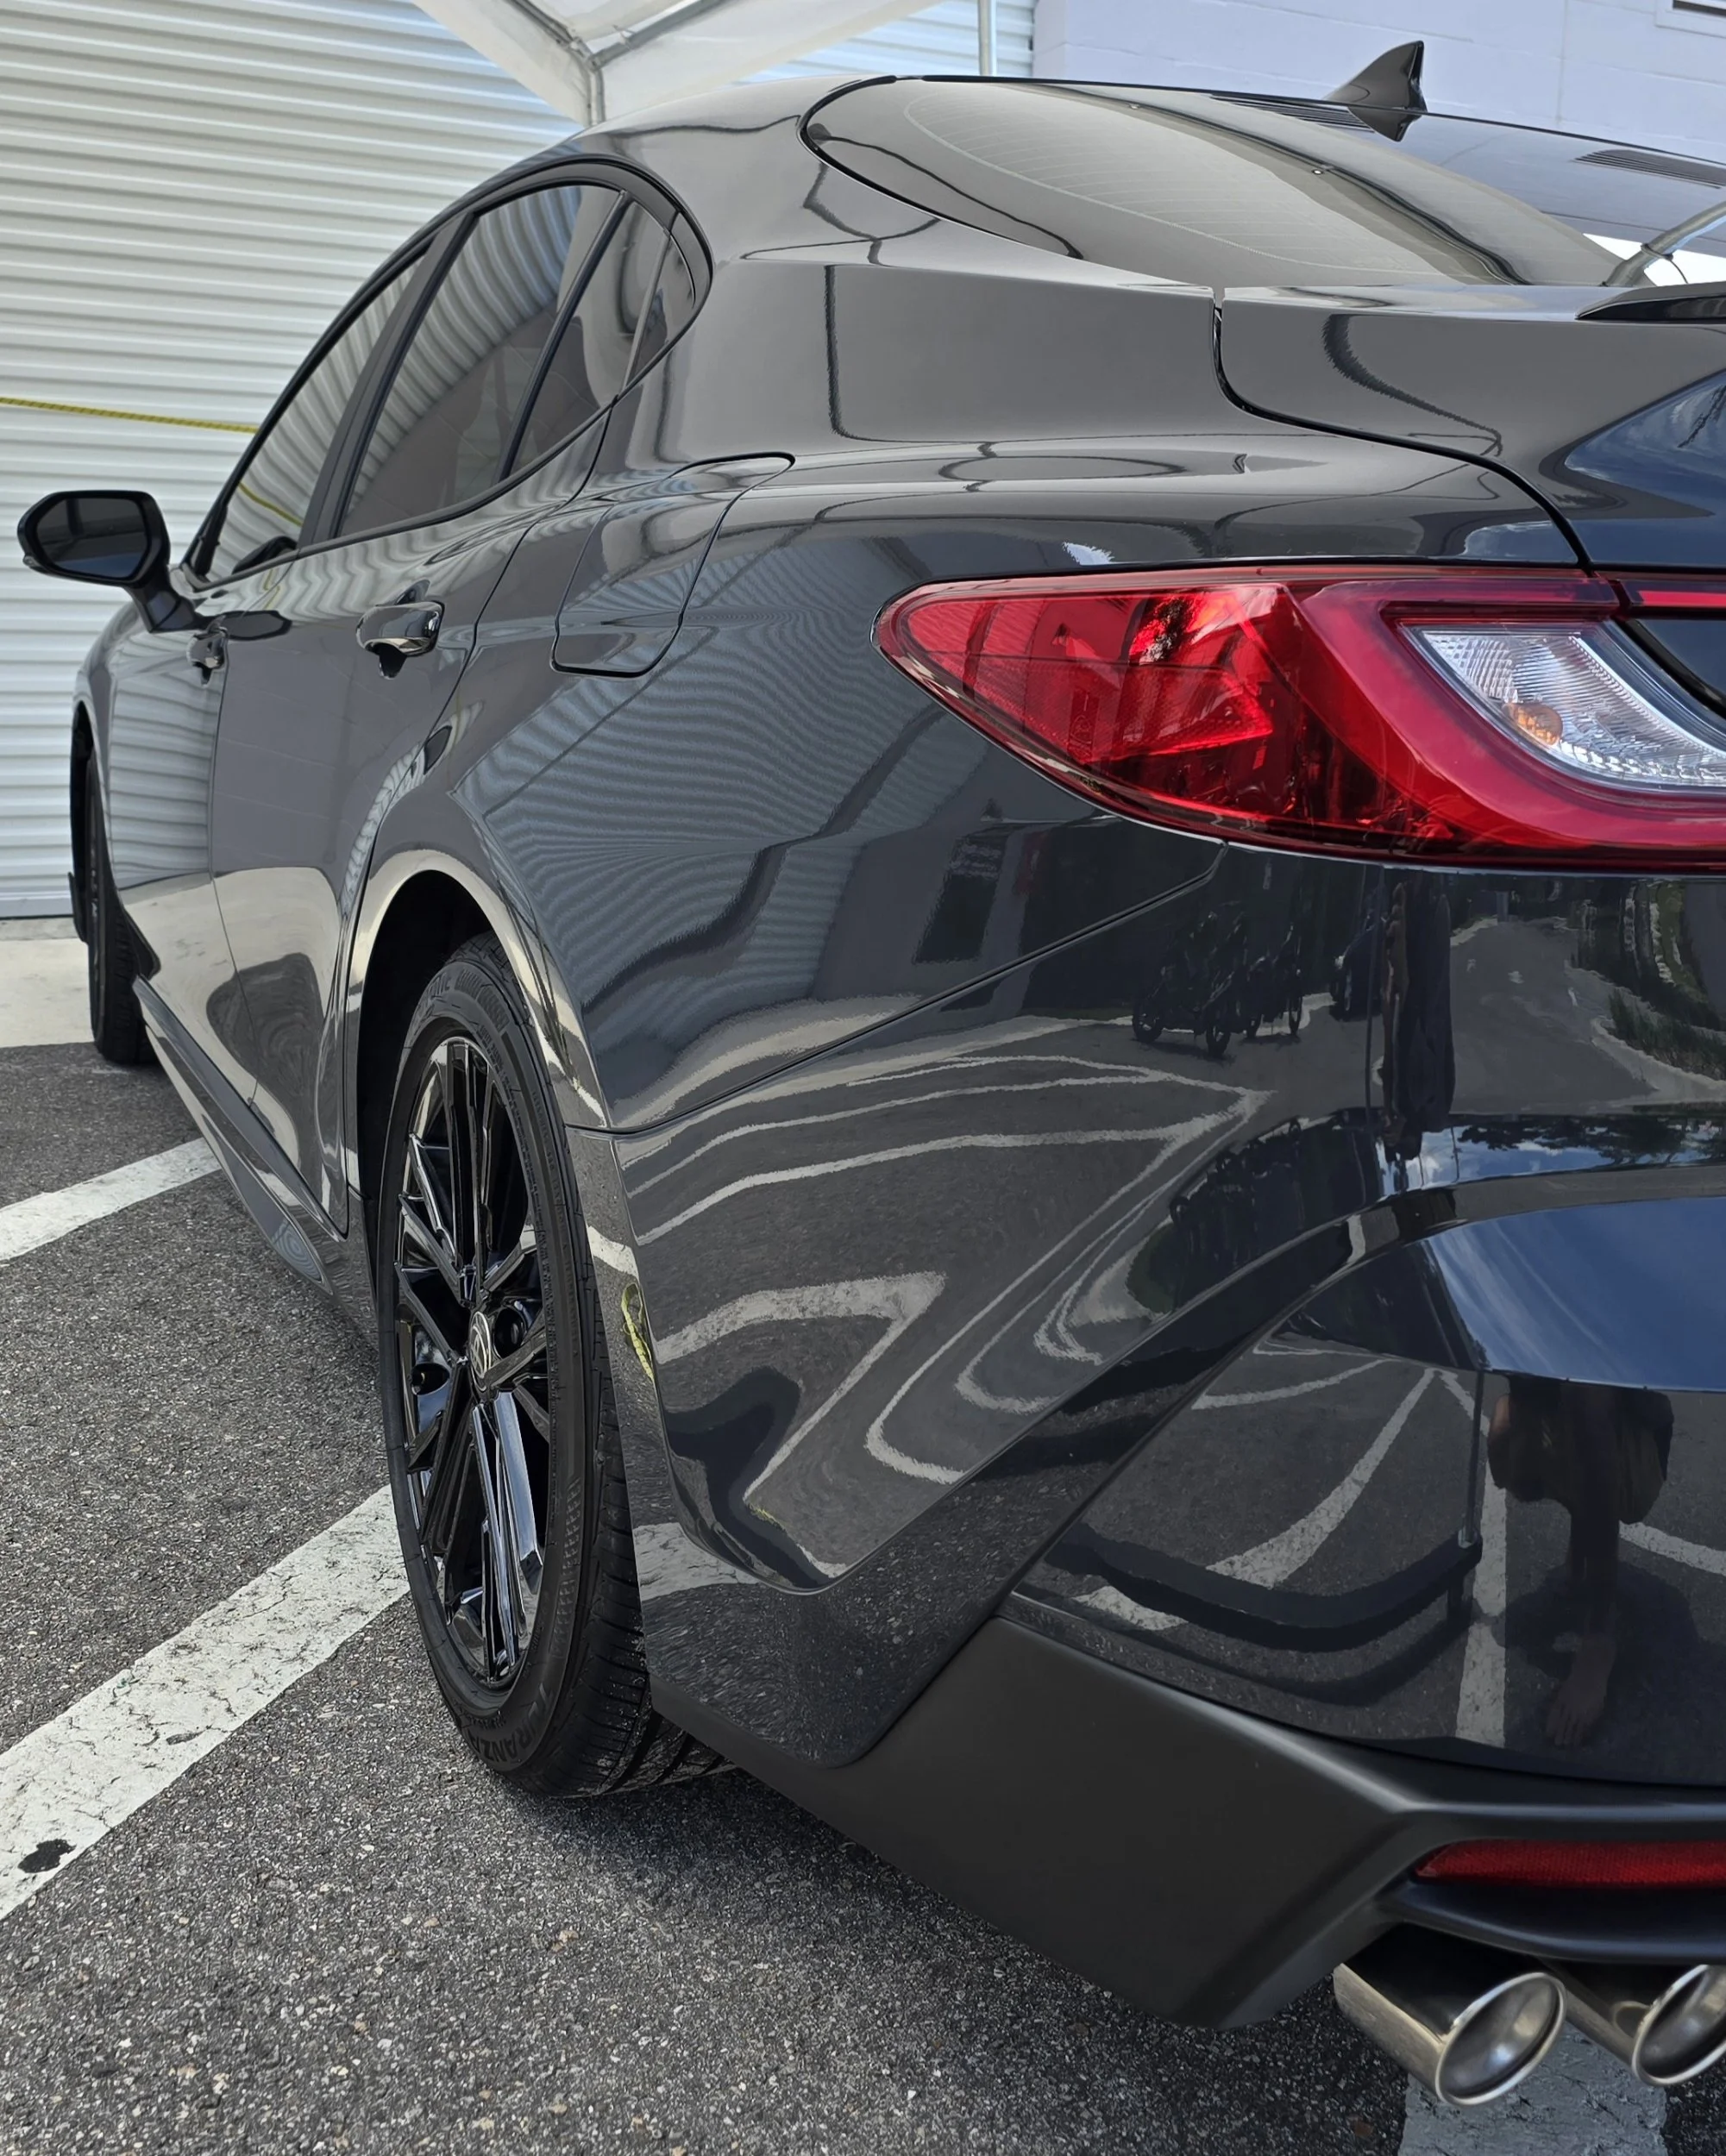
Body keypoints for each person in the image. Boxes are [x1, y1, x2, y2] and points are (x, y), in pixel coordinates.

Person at [1487, 1377, 1673, 1746]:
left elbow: (1655, 1409)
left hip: (1638, 1451)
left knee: (1586, 1394)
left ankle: (1600, 1635)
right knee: (1509, 1426)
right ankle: (1582, 1532)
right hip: (1567, 1426)